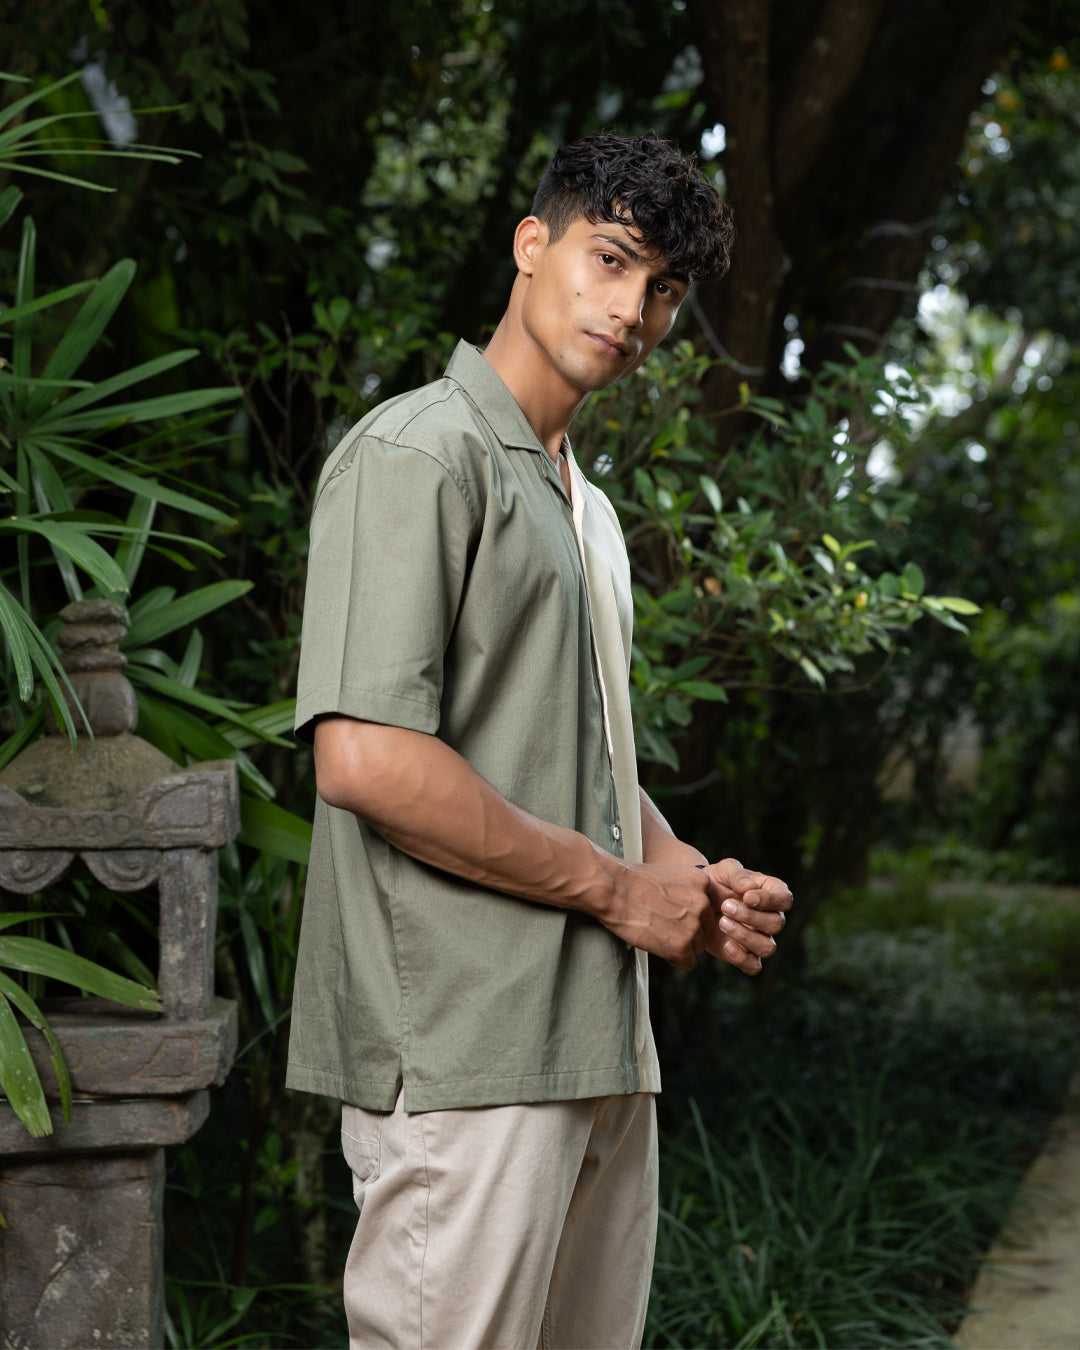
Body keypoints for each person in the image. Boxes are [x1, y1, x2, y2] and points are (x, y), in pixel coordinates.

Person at [288, 130, 793, 1349]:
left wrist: (684, 879)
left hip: (598, 1050)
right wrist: (623, 893)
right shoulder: (419, 455)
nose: (633, 308)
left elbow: (587, 757)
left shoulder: (586, 507)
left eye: (664, 288)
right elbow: (366, 759)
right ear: (532, 243)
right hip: (465, 1051)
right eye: (611, 259)